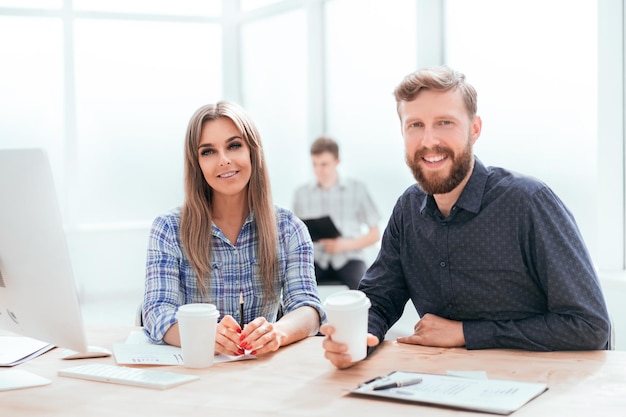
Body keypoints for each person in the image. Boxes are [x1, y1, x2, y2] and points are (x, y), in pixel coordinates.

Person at [321, 65, 611, 369]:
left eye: (444, 122)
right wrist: (358, 336)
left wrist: (465, 333)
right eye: (415, 125)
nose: (429, 140)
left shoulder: (528, 203)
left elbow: (589, 326)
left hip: (539, 385)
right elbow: (379, 299)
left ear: (474, 129)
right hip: (442, 382)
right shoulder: (407, 209)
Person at [142, 101, 325, 357]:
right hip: (197, 374)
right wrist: (201, 334)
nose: (224, 160)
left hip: (262, 372)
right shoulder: (169, 229)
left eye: (234, 145)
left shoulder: (289, 228)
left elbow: (308, 308)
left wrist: (277, 333)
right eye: (208, 152)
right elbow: (156, 312)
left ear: (252, 151)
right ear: (197, 163)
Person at [293, 136, 381, 289]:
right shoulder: (301, 193)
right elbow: (294, 235)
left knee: (365, 289)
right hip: (315, 258)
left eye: (324, 164)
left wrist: (344, 245)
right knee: (295, 286)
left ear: (337, 162)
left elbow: (375, 234)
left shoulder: (357, 189)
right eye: (315, 164)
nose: (318, 170)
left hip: (349, 257)